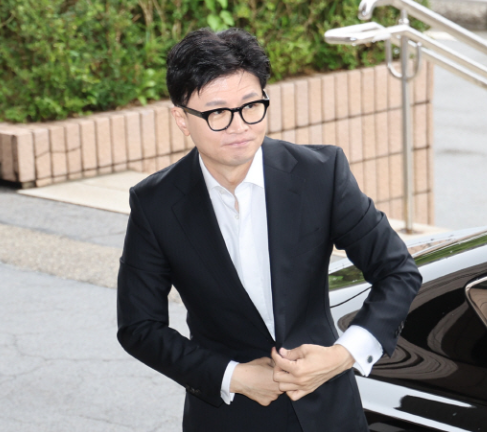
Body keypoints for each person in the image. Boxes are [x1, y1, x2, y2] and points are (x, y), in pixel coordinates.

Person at [117, 27, 422, 432]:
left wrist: (342, 356)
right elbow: (139, 327)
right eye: (217, 112)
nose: (239, 126)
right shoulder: (155, 203)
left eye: (251, 106)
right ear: (182, 119)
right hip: (227, 417)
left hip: (329, 412)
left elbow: (398, 272)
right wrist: (232, 376)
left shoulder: (321, 174)